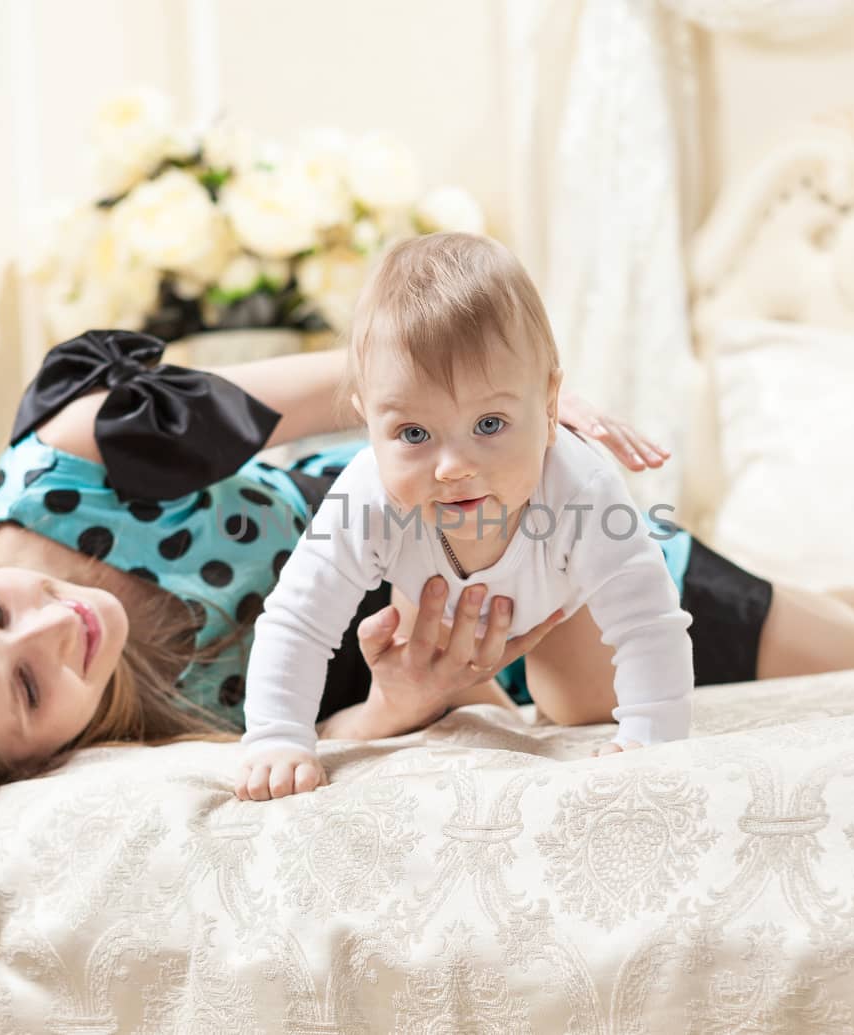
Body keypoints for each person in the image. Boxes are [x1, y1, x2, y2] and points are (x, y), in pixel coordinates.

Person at [0, 266, 854, 865]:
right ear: (24, 757)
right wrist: (402, 708)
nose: (60, 626)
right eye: (29, 686)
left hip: (491, 496)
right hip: (465, 618)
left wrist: (530, 420)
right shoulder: (109, 746)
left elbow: (360, 377)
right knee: (627, 686)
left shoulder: (83, 457)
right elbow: (302, 732)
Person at [238, 234, 699, 800]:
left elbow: (647, 620)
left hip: (560, 595)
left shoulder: (580, 486)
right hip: (431, 601)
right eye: (412, 434)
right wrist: (278, 736)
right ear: (368, 422)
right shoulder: (368, 496)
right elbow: (298, 620)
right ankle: (475, 695)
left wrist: (653, 731)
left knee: (581, 707)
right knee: (428, 680)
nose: (453, 468)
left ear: (551, 408)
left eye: (489, 425)